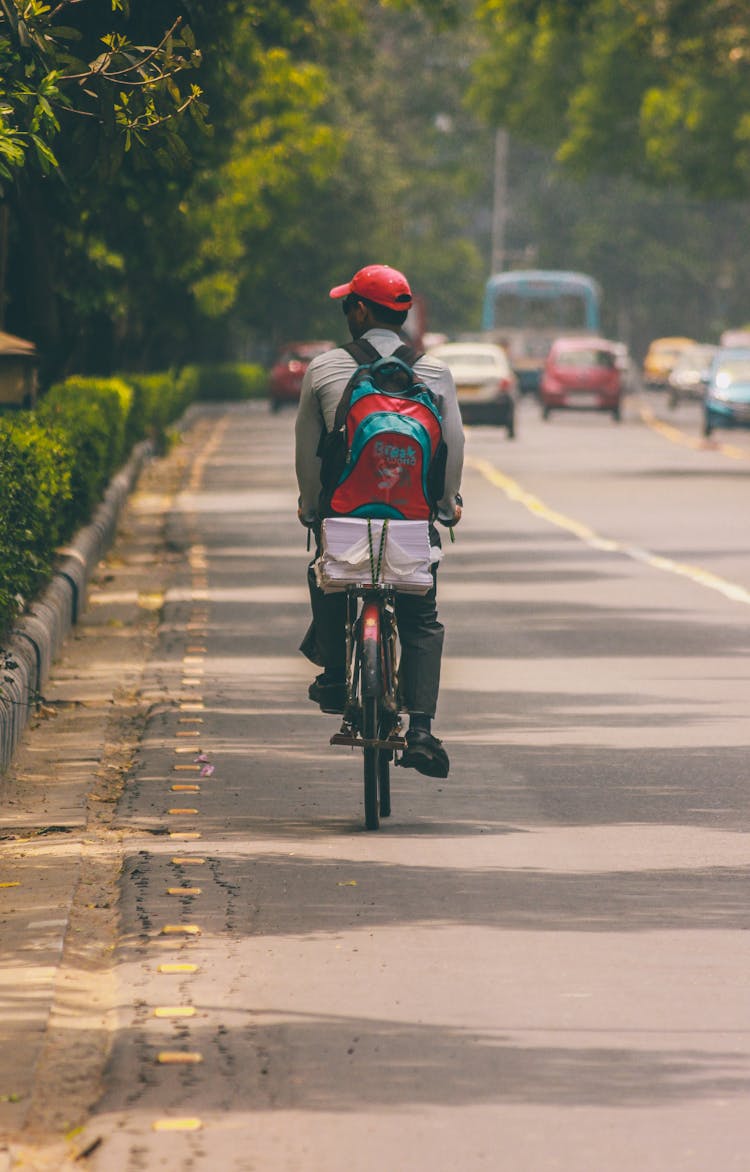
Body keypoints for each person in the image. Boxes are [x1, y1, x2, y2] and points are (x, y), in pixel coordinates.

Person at [295, 264, 464, 778]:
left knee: (326, 579)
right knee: (421, 619)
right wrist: (446, 503)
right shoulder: (433, 373)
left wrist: (311, 506)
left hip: (344, 521)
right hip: (412, 525)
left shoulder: (324, 369)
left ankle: (331, 674)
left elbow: (307, 451)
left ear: (361, 311)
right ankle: (421, 730)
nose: (347, 311)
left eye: (349, 304)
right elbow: (452, 446)